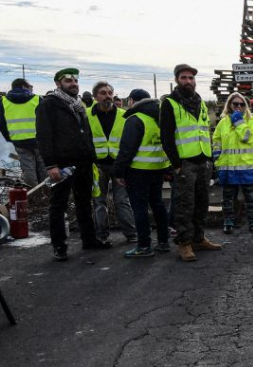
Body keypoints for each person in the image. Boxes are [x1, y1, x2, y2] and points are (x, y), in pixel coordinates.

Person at [37, 68, 105, 261]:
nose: (73, 83)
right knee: (59, 205)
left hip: (83, 162)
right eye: (68, 81)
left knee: (84, 202)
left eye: (75, 80)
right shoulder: (49, 105)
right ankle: (59, 246)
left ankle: (89, 239)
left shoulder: (78, 105)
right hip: (62, 164)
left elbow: (87, 134)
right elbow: (44, 136)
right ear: (58, 84)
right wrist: (51, 165)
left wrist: (92, 158)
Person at [160, 64, 222, 262]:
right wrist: (176, 164)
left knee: (202, 203)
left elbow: (205, 131)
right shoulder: (170, 102)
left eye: (191, 78)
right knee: (184, 205)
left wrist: (210, 160)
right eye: (184, 78)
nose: (188, 81)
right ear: (177, 80)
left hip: (203, 161)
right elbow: (166, 136)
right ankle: (184, 244)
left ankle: (198, 238)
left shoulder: (200, 102)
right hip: (185, 163)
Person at [113, 89, 171, 257]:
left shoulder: (135, 119)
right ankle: (163, 241)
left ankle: (144, 246)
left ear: (132, 101)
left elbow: (126, 149)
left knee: (140, 209)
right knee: (158, 205)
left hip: (138, 171)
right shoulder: (158, 119)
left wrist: (119, 172)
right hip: (157, 170)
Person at [88, 81, 137, 245]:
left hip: (119, 165)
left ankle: (131, 234)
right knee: (99, 201)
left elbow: (129, 142)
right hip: (97, 165)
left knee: (122, 201)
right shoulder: (86, 115)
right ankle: (101, 235)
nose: (107, 96)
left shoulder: (124, 115)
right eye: (103, 93)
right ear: (95, 96)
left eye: (110, 93)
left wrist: (123, 166)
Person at [214, 92, 253, 234]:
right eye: (235, 104)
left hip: (247, 165)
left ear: (246, 106)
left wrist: (238, 121)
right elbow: (216, 140)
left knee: (250, 196)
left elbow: (247, 137)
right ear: (229, 105)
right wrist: (217, 159)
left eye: (242, 104)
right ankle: (228, 222)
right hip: (228, 166)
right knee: (227, 197)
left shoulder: (252, 120)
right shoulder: (223, 122)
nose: (238, 107)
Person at [0, 78, 46, 186]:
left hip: (19, 141)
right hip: (38, 140)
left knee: (28, 168)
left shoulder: (3, 101)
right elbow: (46, 120)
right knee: (43, 167)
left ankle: (34, 194)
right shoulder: (37, 99)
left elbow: (1, 124)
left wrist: (10, 137)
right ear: (24, 86)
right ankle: (46, 193)